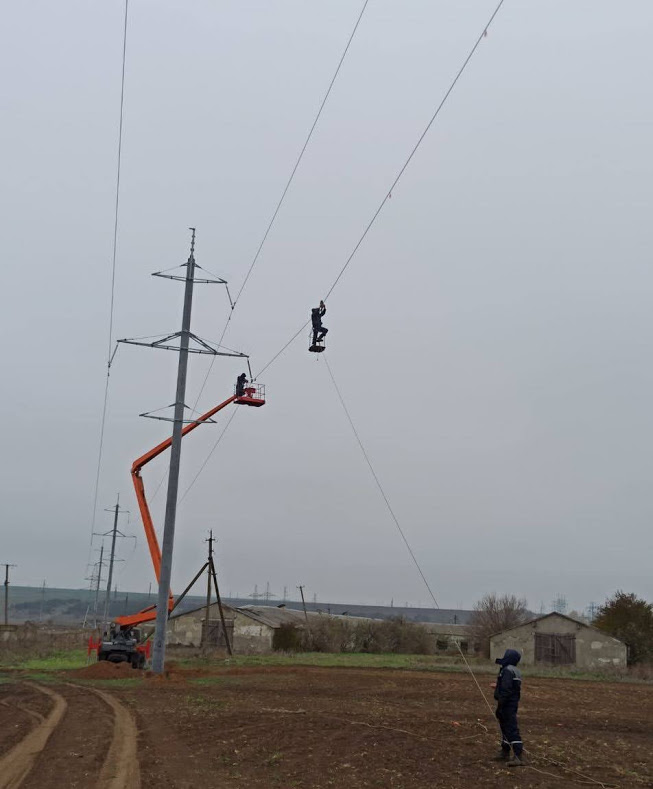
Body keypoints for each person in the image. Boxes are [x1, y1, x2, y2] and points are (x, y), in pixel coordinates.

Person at [493, 648, 524, 766]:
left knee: (511, 728)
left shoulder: (507, 670)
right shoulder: (515, 670)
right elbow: (511, 686)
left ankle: (518, 755)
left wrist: (500, 706)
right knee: (505, 727)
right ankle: (505, 751)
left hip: (507, 704)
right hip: (511, 703)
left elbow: (506, 690)